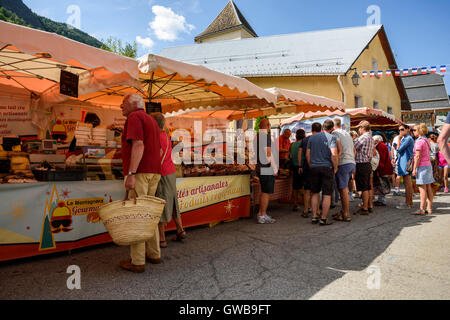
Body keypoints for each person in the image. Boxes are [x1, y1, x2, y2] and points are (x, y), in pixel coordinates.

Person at [119, 93, 162, 273]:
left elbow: (138, 145)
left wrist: (131, 173)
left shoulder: (134, 117)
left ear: (131, 104)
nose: (121, 106)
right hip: (154, 171)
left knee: (137, 215)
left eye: (123, 103)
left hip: (141, 172)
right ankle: (154, 253)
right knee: (149, 214)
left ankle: (137, 261)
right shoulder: (151, 120)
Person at [151, 112, 186, 248]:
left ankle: (162, 239)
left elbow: (158, 156)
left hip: (162, 173)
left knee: (161, 202)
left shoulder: (156, 137)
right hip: (171, 171)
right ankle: (180, 229)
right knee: (173, 201)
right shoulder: (166, 134)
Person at [306, 121, 338, 226]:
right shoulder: (331, 137)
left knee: (314, 193)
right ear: (332, 128)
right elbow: (334, 154)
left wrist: (311, 165)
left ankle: (314, 216)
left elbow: (307, 155)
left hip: (314, 167)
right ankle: (323, 219)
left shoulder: (311, 138)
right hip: (327, 167)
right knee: (327, 194)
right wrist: (336, 167)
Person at [331, 118, 355, 222]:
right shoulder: (347, 133)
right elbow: (354, 150)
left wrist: (335, 164)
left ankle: (346, 214)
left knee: (343, 189)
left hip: (343, 163)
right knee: (343, 188)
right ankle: (343, 212)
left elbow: (336, 150)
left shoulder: (335, 133)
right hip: (351, 162)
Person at [254, 118, 278, 224]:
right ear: (268, 126)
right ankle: (262, 215)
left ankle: (261, 213)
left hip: (259, 166)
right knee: (266, 192)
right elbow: (268, 153)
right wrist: (274, 168)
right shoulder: (266, 136)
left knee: (263, 191)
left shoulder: (256, 136)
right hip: (266, 166)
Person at [411, 123, 435, 214]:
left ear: (419, 131)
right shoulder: (426, 140)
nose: (413, 132)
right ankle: (429, 208)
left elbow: (417, 157)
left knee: (422, 188)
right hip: (428, 165)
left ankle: (421, 209)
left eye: (414, 130)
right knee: (428, 187)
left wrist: (414, 169)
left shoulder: (419, 141)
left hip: (422, 166)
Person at [353, 120, 374, 215]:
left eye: (359, 128)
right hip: (367, 163)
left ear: (363, 128)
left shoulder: (363, 137)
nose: (358, 130)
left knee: (364, 187)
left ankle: (365, 208)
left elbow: (354, 146)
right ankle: (369, 206)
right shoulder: (370, 137)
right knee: (368, 187)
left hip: (362, 164)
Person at [395, 124, 415, 210]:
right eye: (399, 130)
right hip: (404, 162)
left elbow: (399, 149)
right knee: (407, 183)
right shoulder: (407, 138)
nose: (400, 132)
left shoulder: (408, 138)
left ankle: (408, 203)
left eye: (402, 129)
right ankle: (409, 202)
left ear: (407, 129)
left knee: (407, 184)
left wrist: (399, 139)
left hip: (406, 163)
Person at [373, 135, 393, 206]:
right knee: (382, 184)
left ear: (377, 141)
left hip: (383, 168)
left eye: (374, 141)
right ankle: (380, 199)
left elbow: (381, 158)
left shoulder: (380, 146)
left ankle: (382, 200)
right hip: (384, 167)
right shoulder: (382, 145)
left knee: (382, 184)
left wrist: (379, 167)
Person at [289, 129, 305, 212]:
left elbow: (290, 156)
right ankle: (307, 206)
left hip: (294, 167)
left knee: (295, 187)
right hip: (302, 167)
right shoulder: (304, 144)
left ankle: (295, 204)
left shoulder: (292, 145)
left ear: (296, 136)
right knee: (306, 187)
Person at [298, 131, 312, 218]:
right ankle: (316, 212)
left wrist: (300, 165)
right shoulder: (322, 138)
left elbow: (300, 153)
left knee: (307, 190)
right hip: (318, 165)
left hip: (307, 166)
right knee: (315, 191)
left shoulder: (304, 140)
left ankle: (306, 210)